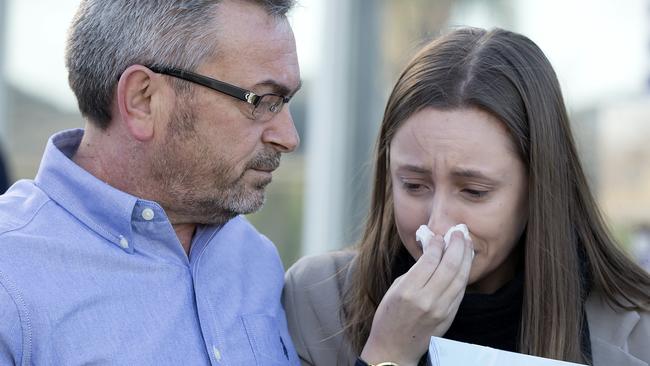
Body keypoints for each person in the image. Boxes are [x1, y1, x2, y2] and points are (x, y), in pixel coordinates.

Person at [283, 27, 650, 366]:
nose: (438, 223)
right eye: (413, 185)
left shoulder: (636, 331)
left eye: (474, 192)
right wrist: (389, 352)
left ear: (540, 190)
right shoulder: (317, 299)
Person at [0, 0, 302, 364]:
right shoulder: (10, 280)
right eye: (262, 101)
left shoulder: (254, 259)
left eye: (286, 102)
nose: (288, 137)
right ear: (143, 99)